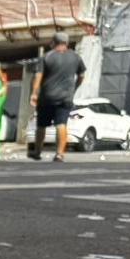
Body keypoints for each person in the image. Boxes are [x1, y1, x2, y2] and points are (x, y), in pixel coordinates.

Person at [29, 32, 86, 163]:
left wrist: (34, 93)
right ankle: (59, 154)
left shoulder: (46, 57)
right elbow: (82, 75)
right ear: (66, 43)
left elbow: (38, 75)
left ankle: (37, 152)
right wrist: (75, 87)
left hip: (46, 98)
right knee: (61, 124)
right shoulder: (75, 57)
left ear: (52, 43)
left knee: (41, 126)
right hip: (65, 98)